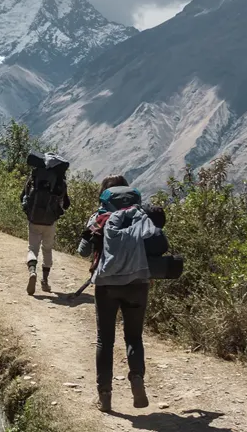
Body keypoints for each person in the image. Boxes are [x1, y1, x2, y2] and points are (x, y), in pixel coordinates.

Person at [76, 175, 167, 413]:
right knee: (134, 337)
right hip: (138, 283)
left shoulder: (100, 217)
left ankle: (104, 396)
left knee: (104, 340)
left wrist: (92, 235)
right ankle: (137, 378)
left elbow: (83, 252)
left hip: (106, 285)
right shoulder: (142, 215)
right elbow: (158, 246)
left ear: (106, 194)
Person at [20, 152, 71, 295]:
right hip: (50, 221)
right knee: (47, 250)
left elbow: (22, 197)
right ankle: (45, 281)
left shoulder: (34, 176)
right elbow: (66, 204)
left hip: (34, 218)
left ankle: (32, 271)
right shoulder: (60, 181)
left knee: (32, 248)